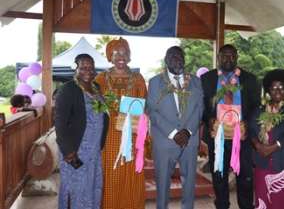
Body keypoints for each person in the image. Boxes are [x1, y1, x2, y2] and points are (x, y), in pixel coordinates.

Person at [201, 44, 261, 209]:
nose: (228, 59)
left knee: (245, 177)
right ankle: (221, 205)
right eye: (225, 56)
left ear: (237, 57)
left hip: (242, 137)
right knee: (219, 176)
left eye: (232, 56)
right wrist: (209, 119)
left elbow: (257, 107)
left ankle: (246, 206)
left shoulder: (250, 79)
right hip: (218, 137)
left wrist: (247, 124)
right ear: (218, 58)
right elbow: (202, 107)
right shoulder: (207, 79)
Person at [146, 46, 203, 209]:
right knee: (163, 182)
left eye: (180, 55)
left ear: (184, 59)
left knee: (189, 181)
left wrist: (187, 131)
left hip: (189, 140)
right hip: (165, 141)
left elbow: (200, 108)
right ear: (166, 60)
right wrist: (173, 133)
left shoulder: (195, 81)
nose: (176, 58)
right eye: (172, 56)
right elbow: (151, 110)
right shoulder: (155, 82)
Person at [95, 38, 147, 209]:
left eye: (124, 52)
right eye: (116, 53)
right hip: (109, 136)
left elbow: (144, 107)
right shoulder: (101, 79)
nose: (121, 56)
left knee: (131, 174)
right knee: (111, 174)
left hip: (132, 134)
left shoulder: (138, 78)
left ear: (129, 55)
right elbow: (94, 107)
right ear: (110, 56)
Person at [55, 54, 109, 209]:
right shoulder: (68, 89)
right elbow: (60, 122)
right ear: (76, 69)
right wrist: (68, 151)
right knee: (76, 189)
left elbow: (102, 113)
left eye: (91, 67)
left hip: (93, 151)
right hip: (75, 150)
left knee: (92, 187)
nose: (88, 71)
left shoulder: (96, 88)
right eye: (83, 67)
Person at [248, 69, 284, 209]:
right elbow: (250, 128)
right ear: (268, 90)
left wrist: (273, 147)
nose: (277, 90)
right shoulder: (261, 108)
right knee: (263, 197)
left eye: (281, 87)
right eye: (273, 87)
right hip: (263, 163)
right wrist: (257, 145)